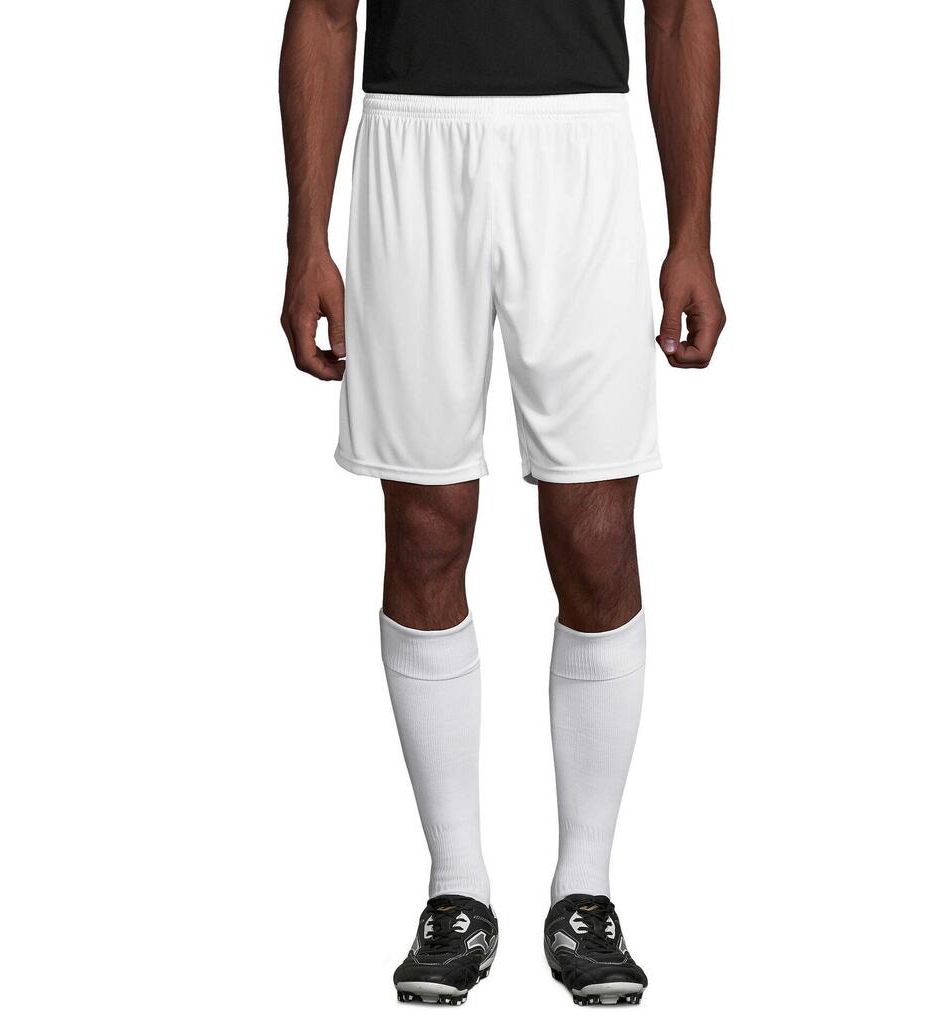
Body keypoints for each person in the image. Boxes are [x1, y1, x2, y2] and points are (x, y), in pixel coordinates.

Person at [279, 0, 725, 1006]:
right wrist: (308, 240)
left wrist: (692, 234)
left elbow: (676, 15)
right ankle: (456, 889)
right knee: (425, 528)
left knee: (595, 534)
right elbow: (324, 13)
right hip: (410, 139)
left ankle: (585, 890)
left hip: (580, 145)